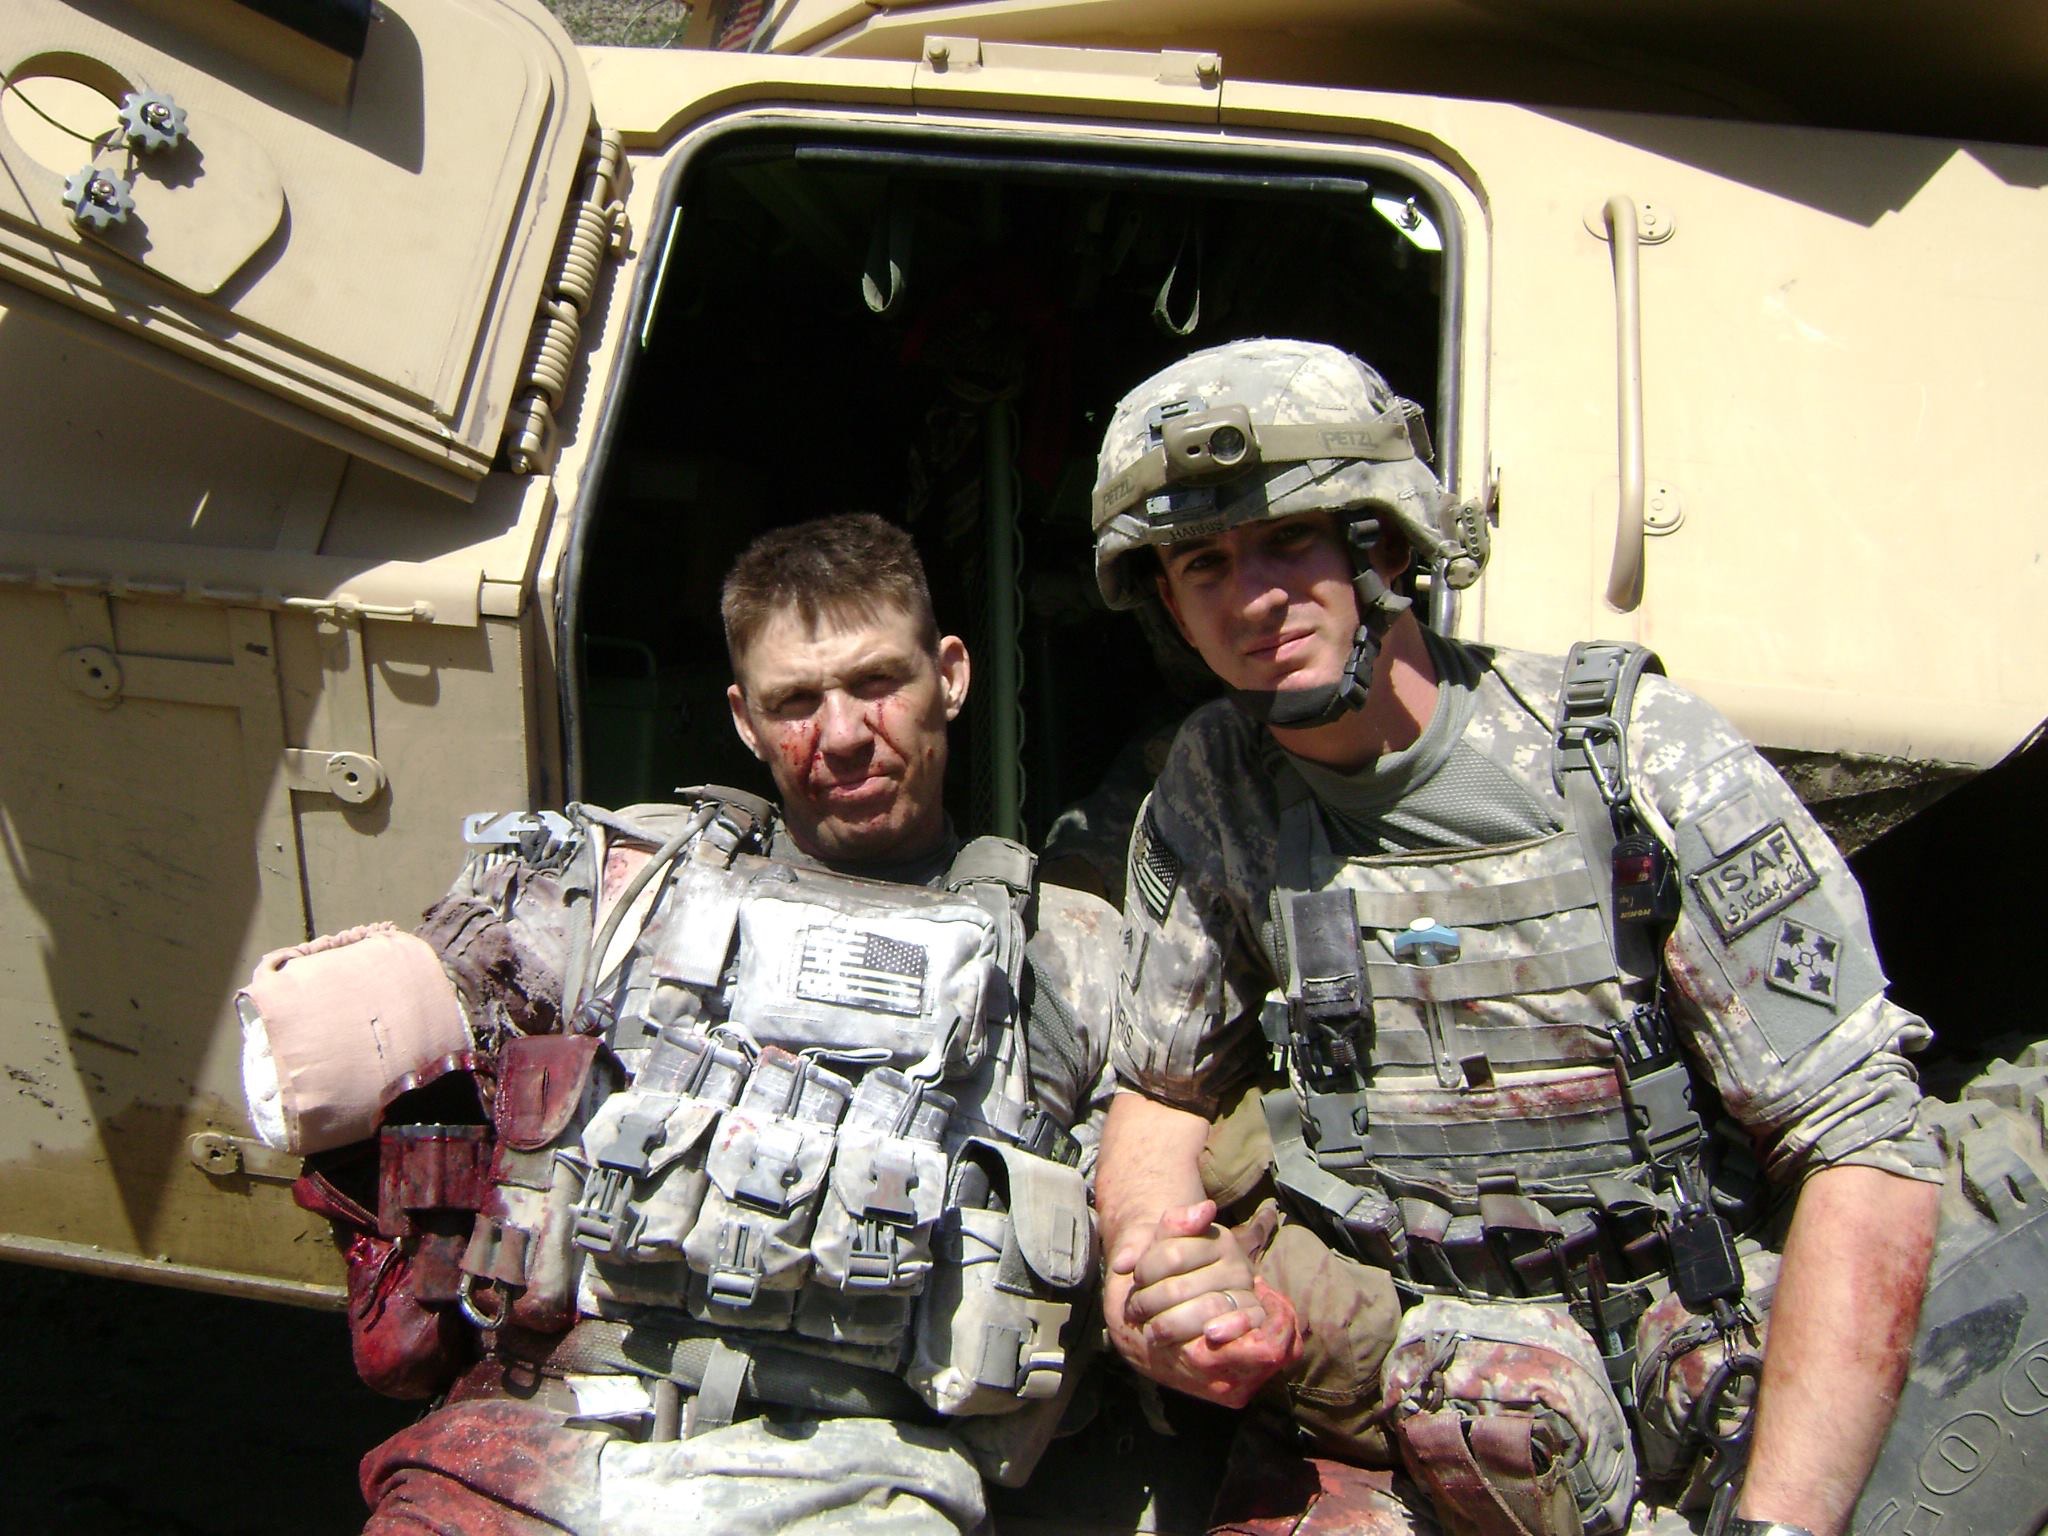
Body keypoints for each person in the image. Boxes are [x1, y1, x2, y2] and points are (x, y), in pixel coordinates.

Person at [1087, 339, 1940, 1536]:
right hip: (1408, 1385)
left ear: (1382, 543)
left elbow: (1861, 1146)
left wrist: (1780, 1524)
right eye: (1203, 562)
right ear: (1166, 600)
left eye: (1289, 540)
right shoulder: (1213, 792)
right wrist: (1152, 1284)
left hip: (1683, 1385)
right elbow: (1162, 1090)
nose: (1252, 597)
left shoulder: (1624, 756)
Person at [238, 513, 1116, 1535]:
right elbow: (372, 1024)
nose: (839, 735)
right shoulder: (622, 888)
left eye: (877, 682)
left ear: (951, 676)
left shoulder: (1071, 956)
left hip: (874, 1480)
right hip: (561, 1440)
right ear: (744, 721)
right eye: (795, 701)